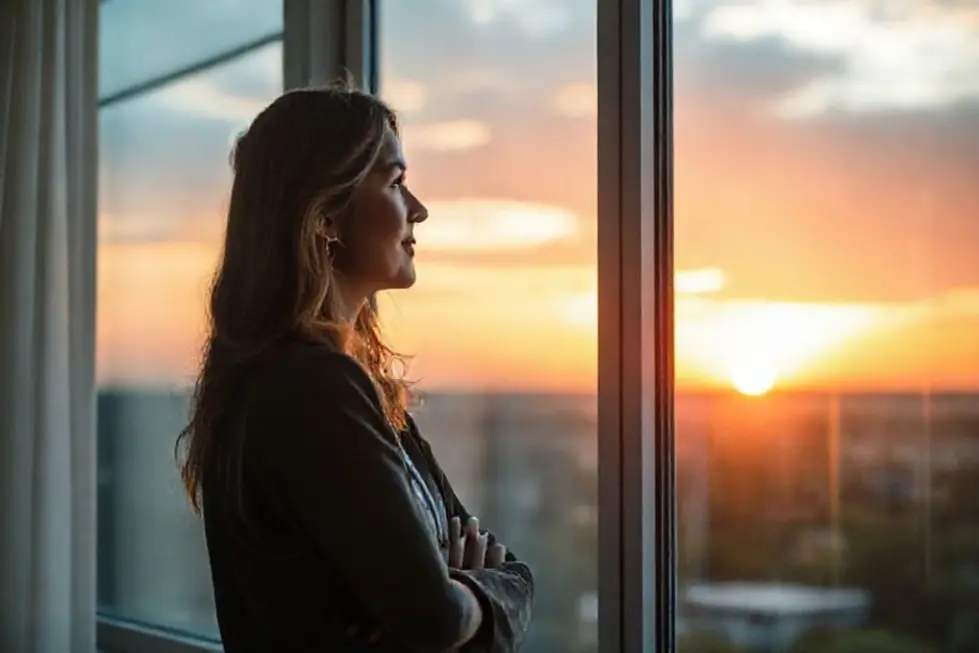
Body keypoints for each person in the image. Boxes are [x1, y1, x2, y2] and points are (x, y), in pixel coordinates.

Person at [175, 84, 535, 652]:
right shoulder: (310, 389)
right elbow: (436, 618)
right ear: (325, 216)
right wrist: (468, 591)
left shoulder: (357, 391)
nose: (418, 209)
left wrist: (462, 589)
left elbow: (509, 571)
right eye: (395, 183)